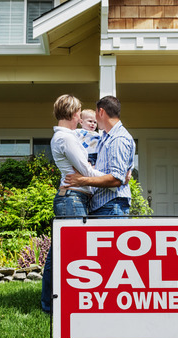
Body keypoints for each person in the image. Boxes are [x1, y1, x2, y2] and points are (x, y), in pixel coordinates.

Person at [40, 95, 106, 314]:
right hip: (72, 199)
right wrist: (112, 178)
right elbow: (86, 171)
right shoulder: (66, 139)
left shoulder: (68, 136)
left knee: (57, 254)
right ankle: (57, 305)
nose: (81, 116)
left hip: (73, 198)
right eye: (79, 112)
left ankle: (49, 303)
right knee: (70, 254)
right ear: (73, 113)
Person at [64, 95, 135, 216]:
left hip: (111, 206)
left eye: (95, 115)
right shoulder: (105, 137)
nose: (94, 120)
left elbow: (116, 179)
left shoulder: (118, 139)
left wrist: (82, 181)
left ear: (101, 112)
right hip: (103, 205)